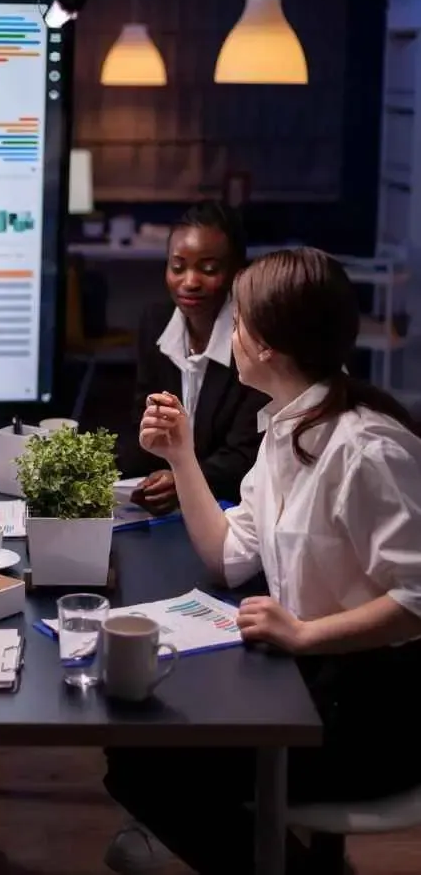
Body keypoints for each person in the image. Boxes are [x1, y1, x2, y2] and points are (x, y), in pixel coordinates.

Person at [105, 248, 421, 875]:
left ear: (270, 345)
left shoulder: (367, 447)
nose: (230, 333)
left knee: (146, 763)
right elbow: (228, 556)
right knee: (136, 751)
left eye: (239, 322)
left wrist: (304, 634)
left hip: (374, 711)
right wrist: (180, 456)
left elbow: (417, 599)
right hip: (313, 682)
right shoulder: (283, 427)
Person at [117, 200, 267, 515]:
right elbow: (142, 422)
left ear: (237, 273)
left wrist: (184, 480)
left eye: (208, 269)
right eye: (178, 267)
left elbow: (247, 454)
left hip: (237, 508)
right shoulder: (156, 323)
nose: (190, 282)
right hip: (172, 512)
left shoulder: (255, 339)